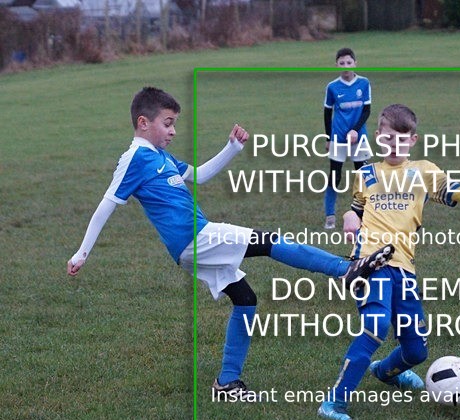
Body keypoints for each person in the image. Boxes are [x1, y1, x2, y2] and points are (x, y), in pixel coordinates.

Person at [67, 87, 394, 394]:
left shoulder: (159, 156)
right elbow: (108, 202)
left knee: (245, 299)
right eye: (167, 124)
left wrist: (232, 148)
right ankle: (344, 269)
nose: (173, 131)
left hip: (195, 242)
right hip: (196, 239)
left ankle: (227, 382)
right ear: (143, 122)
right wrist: (82, 253)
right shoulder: (135, 158)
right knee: (269, 241)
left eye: (174, 124)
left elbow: (199, 174)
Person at [317, 104, 460, 420]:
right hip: (372, 263)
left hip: (405, 269)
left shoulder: (424, 172)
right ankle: (334, 402)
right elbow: (357, 210)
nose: (393, 145)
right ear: (377, 136)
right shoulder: (366, 174)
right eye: (387, 138)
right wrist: (349, 216)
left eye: (401, 140)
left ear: (412, 140)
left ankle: (385, 372)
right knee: (375, 326)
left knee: (416, 353)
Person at [322, 47, 372, 230]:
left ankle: (364, 214)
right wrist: (328, 138)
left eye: (349, 62)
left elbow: (367, 110)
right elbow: (327, 113)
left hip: (359, 138)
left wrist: (356, 131)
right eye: (341, 63)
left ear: (355, 63)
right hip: (338, 138)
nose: (345, 66)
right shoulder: (332, 87)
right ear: (337, 64)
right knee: (335, 176)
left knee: (364, 176)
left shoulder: (364, 83)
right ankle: (330, 215)